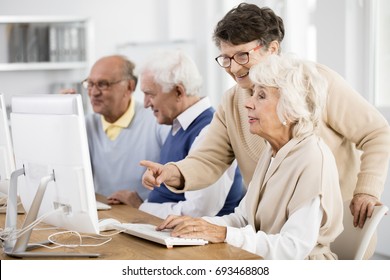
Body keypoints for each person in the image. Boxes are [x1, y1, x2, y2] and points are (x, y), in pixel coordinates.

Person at [140, 3, 390, 258]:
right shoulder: (234, 105)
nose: (234, 68)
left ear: (273, 48)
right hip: (268, 239)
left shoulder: (316, 84)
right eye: (225, 58)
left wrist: (366, 190)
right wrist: (172, 172)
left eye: (242, 55)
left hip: (325, 235)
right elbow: (208, 159)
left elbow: (377, 132)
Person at [152, 54, 344, 259]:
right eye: (252, 94)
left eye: (261, 96)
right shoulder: (272, 152)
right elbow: (243, 218)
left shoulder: (312, 158)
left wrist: (224, 234)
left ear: (290, 107)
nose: (248, 104)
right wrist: (199, 225)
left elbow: (293, 247)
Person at [133, 50, 244, 219]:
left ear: (178, 92)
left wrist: (141, 207)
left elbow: (198, 211)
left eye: (150, 94)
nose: (146, 103)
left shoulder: (209, 130)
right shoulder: (178, 125)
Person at [72, 55, 169, 206]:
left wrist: (141, 205)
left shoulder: (158, 121)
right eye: (90, 84)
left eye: (103, 84)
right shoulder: (85, 124)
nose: (94, 92)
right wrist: (63, 120)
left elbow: (176, 180)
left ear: (129, 87)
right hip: (102, 216)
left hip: (145, 217)